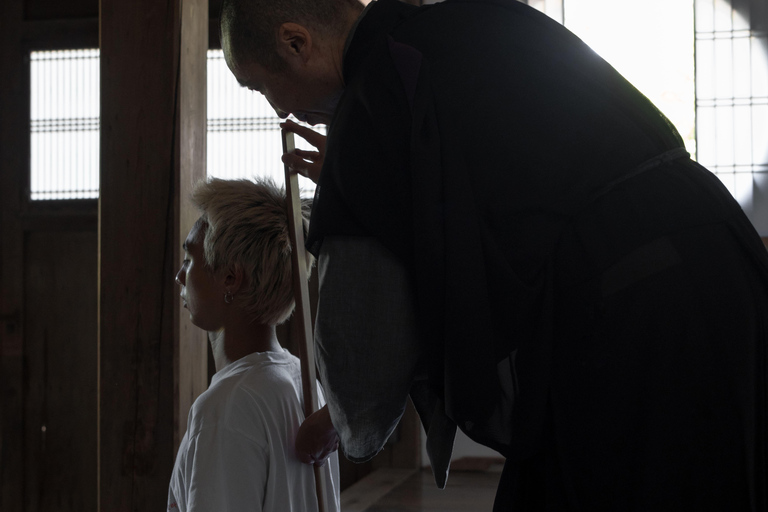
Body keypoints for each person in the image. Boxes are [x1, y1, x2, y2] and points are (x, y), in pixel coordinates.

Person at [220, 0, 768, 509]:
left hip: (637, 302)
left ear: (296, 44)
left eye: (263, 89)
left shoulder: (372, 105)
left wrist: (335, 420)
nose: (280, 108)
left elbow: (366, 367)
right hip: (724, 254)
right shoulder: (467, 26)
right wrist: (376, 180)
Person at [167, 177, 340, 512]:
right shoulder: (304, 382)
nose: (179, 275)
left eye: (190, 259)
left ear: (230, 278)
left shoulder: (226, 406)